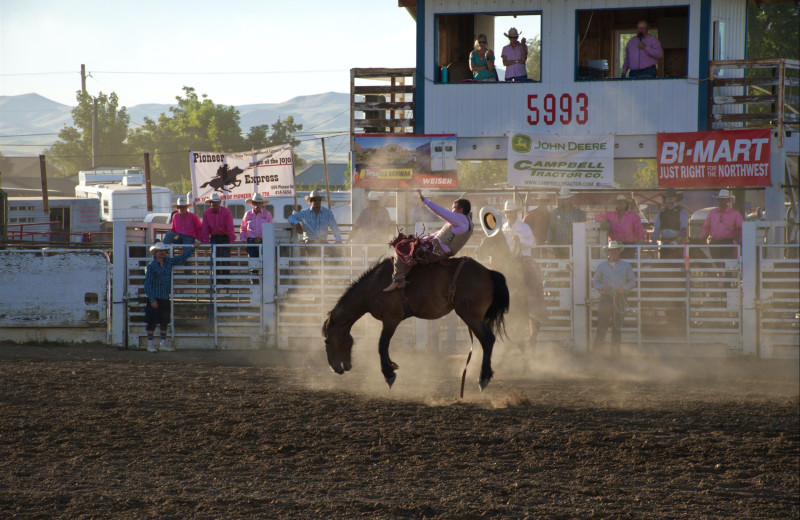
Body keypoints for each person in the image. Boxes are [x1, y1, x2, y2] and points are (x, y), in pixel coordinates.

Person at [384, 189, 473, 292]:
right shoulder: (465, 222)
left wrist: (425, 201)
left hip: (436, 251)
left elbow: (441, 212)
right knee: (410, 245)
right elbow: (439, 234)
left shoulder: (460, 219)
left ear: (460, 210)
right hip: (438, 249)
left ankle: (398, 279)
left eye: (453, 208)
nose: (451, 210)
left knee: (402, 247)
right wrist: (421, 239)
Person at [143, 241, 195, 352]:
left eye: (163, 251)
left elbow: (181, 258)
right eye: (160, 251)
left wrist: (192, 248)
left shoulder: (167, 262)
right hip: (156, 297)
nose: (162, 253)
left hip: (164, 297)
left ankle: (162, 344)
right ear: (155, 252)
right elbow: (147, 284)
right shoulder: (151, 266)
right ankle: (151, 344)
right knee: (152, 321)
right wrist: (152, 299)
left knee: (164, 321)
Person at [502, 200, 547, 323]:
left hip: (523, 259)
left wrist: (519, 241)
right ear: (505, 214)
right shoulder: (503, 227)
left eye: (511, 212)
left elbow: (532, 243)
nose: (509, 215)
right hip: (509, 260)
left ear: (515, 213)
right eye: (507, 212)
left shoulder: (524, 227)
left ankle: (536, 308)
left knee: (534, 280)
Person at [592, 241, 636, 354]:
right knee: (602, 327)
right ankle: (597, 354)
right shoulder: (601, 266)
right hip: (606, 298)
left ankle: (614, 355)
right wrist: (603, 287)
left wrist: (624, 289)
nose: (614, 253)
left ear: (619, 252)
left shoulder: (626, 266)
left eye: (616, 251)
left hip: (619, 298)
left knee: (617, 328)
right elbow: (595, 282)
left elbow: (632, 282)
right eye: (612, 251)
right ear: (608, 252)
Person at [595, 194, 646, 259]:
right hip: (614, 246)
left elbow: (639, 230)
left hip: (628, 246)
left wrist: (641, 239)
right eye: (618, 203)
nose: (620, 204)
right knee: (614, 264)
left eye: (622, 202)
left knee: (627, 265)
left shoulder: (633, 217)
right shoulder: (611, 215)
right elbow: (597, 216)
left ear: (626, 204)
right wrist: (603, 219)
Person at [701, 189, 743, 259]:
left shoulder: (734, 214)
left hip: (727, 242)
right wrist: (702, 239)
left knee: (727, 264)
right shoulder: (712, 213)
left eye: (724, 199)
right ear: (718, 200)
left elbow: (741, 228)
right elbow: (706, 227)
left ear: (727, 201)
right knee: (715, 263)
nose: (721, 201)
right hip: (714, 242)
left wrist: (741, 241)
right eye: (720, 199)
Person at [546, 186, 586, 258]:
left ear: (570, 199)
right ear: (561, 200)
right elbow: (551, 228)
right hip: (558, 247)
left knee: (573, 266)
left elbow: (582, 231)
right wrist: (548, 241)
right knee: (559, 266)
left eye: (567, 198)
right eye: (564, 199)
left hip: (574, 246)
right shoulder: (555, 212)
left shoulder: (579, 213)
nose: (565, 201)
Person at [652, 188, 688, 259]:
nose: (669, 198)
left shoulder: (682, 211)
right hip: (664, 243)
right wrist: (653, 243)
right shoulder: (661, 212)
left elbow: (684, 229)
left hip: (677, 243)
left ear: (676, 198)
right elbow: (656, 229)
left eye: (672, 196)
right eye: (668, 196)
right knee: (664, 266)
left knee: (677, 265)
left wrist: (676, 241)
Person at [201, 192, 236, 258]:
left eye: (217, 202)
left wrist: (232, 240)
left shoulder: (227, 212)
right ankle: (216, 268)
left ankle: (224, 267)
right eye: (213, 202)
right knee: (215, 257)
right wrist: (205, 241)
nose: (215, 203)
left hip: (225, 237)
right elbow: (205, 228)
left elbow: (230, 227)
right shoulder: (207, 213)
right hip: (214, 237)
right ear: (210, 203)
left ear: (219, 202)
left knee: (225, 257)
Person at [240, 193, 273, 259]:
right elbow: (243, 228)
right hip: (251, 242)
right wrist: (243, 239)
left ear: (262, 204)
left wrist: (269, 241)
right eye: (255, 203)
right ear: (252, 203)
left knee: (264, 263)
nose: (257, 205)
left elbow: (271, 228)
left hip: (264, 241)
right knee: (253, 263)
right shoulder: (248, 214)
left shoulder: (267, 214)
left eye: (259, 203)